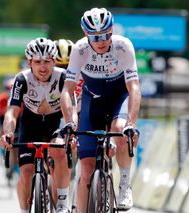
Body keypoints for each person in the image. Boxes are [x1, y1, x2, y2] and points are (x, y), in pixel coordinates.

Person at [60, 7, 141, 212]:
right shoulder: (80, 49)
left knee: (122, 129)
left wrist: (132, 123)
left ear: (112, 30)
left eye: (105, 35)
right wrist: (70, 121)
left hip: (119, 97)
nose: (101, 41)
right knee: (86, 171)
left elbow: (133, 88)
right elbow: (67, 91)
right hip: (92, 101)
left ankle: (124, 183)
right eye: (95, 37)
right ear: (86, 34)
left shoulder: (123, 46)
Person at [0, 37, 73, 213]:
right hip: (30, 125)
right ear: (29, 62)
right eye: (37, 62)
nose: (43, 67)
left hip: (55, 123)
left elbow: (72, 109)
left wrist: (72, 129)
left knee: (59, 151)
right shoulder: (21, 79)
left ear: (54, 61)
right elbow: (12, 111)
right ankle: (25, 210)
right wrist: (8, 133)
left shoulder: (63, 77)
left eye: (47, 61)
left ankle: (62, 204)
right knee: (26, 172)